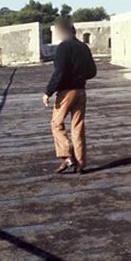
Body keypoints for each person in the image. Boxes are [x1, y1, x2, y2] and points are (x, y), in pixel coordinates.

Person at [43, 18, 97, 174]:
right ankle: (81, 164)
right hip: (81, 90)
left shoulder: (63, 48)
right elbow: (92, 72)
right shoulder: (83, 47)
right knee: (77, 127)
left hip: (67, 92)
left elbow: (59, 73)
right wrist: (80, 76)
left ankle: (68, 155)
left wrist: (48, 92)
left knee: (56, 124)